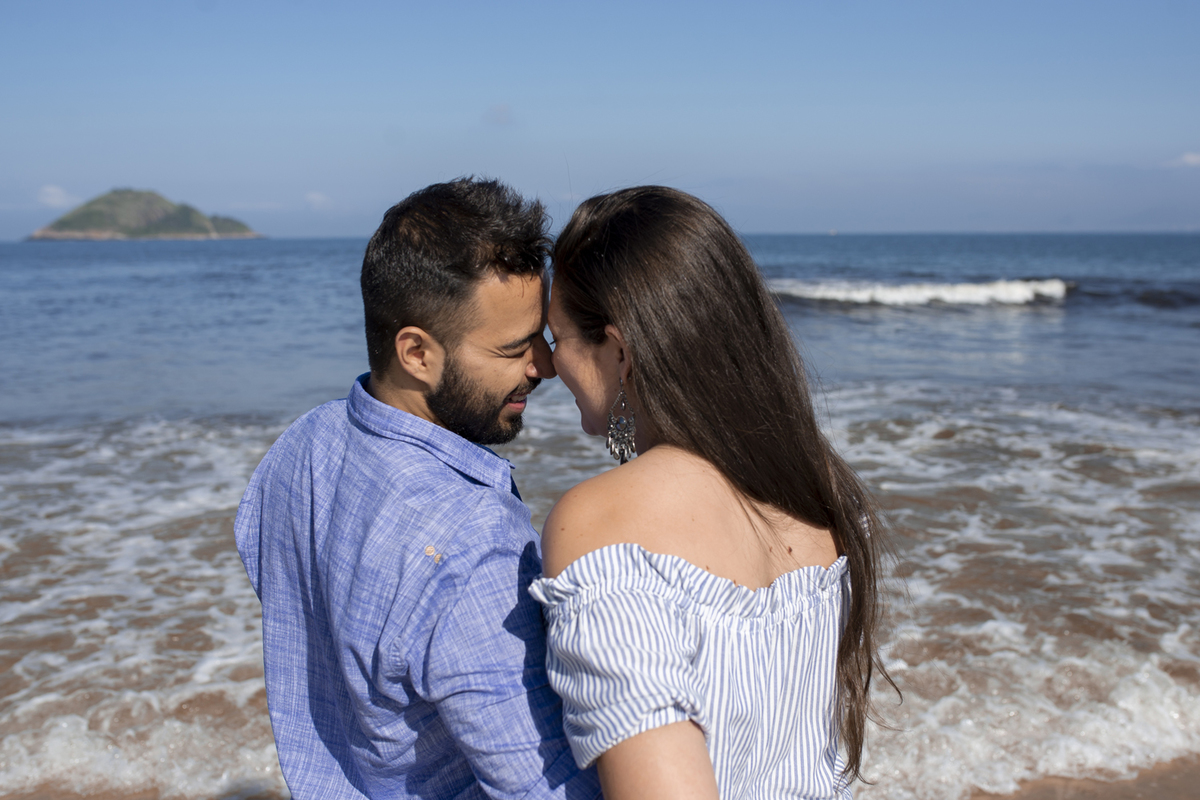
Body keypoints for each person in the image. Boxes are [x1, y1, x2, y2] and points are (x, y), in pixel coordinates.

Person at [234, 178, 600, 800]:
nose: (542, 365)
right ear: (416, 353)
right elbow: (543, 786)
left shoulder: (302, 446)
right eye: (514, 347)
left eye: (541, 337)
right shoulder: (470, 542)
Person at [529, 186, 894, 799]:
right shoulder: (819, 490)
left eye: (556, 336)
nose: (543, 363)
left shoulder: (600, 522)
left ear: (618, 351)